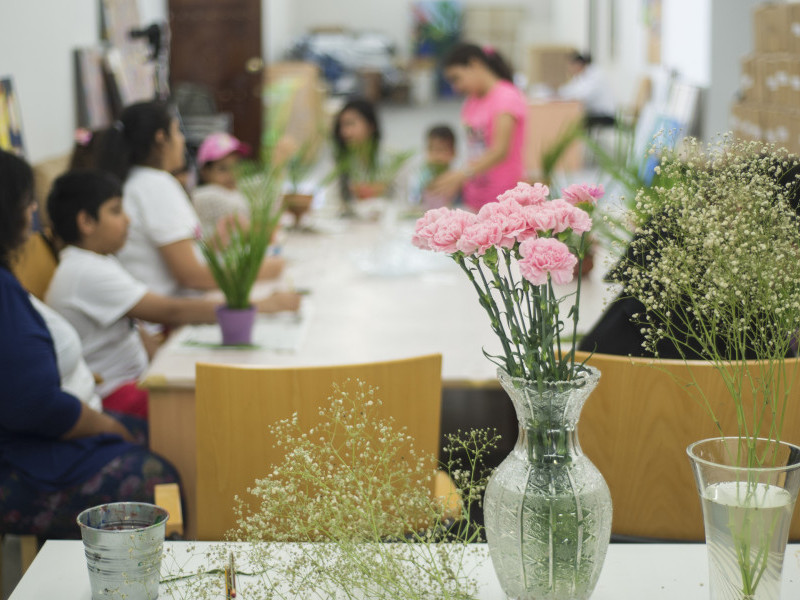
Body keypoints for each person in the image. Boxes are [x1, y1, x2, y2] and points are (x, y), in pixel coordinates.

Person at [0, 149, 180, 539]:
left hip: (52, 427)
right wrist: (107, 425)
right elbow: (37, 406)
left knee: (173, 435)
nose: (31, 209)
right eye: (23, 200)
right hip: (25, 456)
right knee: (161, 474)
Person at [45, 170, 300, 418]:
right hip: (114, 395)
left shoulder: (96, 262)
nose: (128, 220)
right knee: (228, 401)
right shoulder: (84, 271)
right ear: (86, 222)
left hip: (134, 380)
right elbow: (171, 310)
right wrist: (264, 305)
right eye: (116, 211)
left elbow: (136, 329)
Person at [95, 101, 283, 299]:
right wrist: (267, 269)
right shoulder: (155, 184)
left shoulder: (140, 181)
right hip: (169, 312)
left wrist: (213, 245)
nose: (182, 140)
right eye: (177, 132)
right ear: (161, 139)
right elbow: (191, 276)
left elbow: (178, 259)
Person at [429, 43, 527, 211]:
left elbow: (500, 150)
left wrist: (461, 175)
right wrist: (457, 181)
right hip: (474, 196)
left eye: (456, 78)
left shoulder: (506, 96)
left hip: (502, 199)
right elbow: (473, 150)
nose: (455, 87)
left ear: (474, 64)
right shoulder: (471, 101)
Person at [191, 132, 250, 233]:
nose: (232, 175)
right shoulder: (203, 196)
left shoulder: (236, 191)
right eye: (223, 169)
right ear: (204, 172)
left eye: (236, 167)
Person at [332, 98, 387, 203]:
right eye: (341, 126)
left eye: (350, 124)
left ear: (371, 125)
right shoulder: (339, 162)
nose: (345, 132)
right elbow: (331, 201)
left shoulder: (390, 160)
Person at [558, 52, 616, 128]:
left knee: (571, 122)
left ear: (578, 64)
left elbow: (583, 95)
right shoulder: (581, 76)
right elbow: (570, 89)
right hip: (592, 113)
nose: (569, 69)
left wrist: (564, 95)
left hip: (604, 115)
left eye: (571, 66)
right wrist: (557, 92)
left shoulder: (595, 75)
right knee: (568, 119)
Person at [412, 125, 458, 209]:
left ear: (453, 152)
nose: (435, 155)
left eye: (441, 150)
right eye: (431, 149)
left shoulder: (456, 176)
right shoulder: (423, 175)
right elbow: (415, 198)